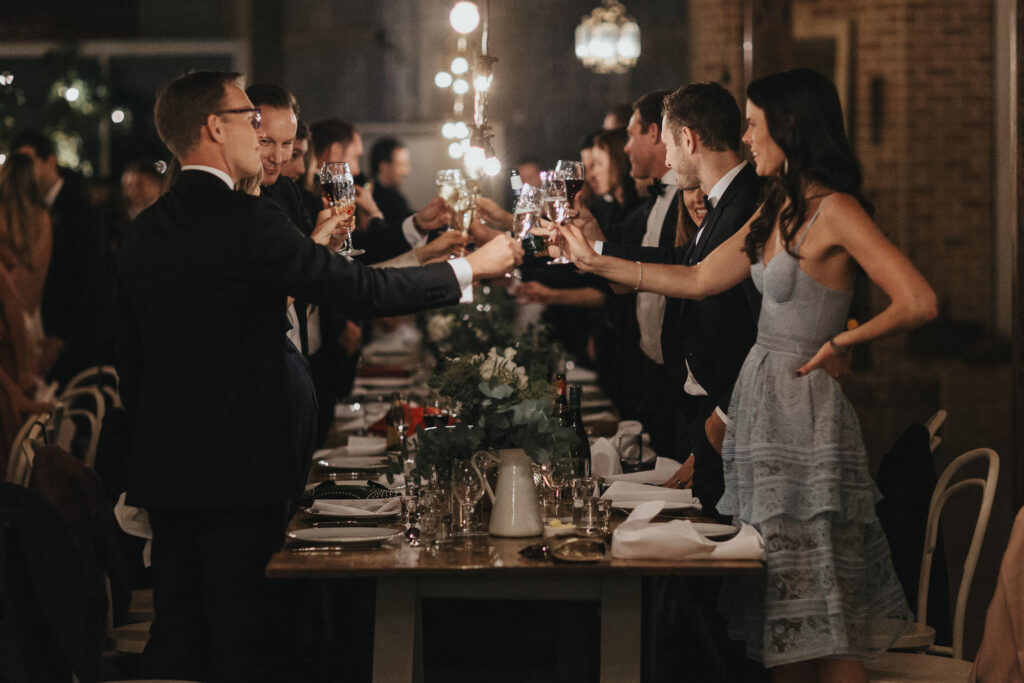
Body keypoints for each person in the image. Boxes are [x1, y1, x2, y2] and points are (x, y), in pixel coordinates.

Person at [115, 70, 520, 682]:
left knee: (179, 637)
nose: (260, 132)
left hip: (170, 470)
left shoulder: (143, 230)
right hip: (245, 467)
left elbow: (129, 362)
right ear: (214, 128)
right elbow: (360, 289)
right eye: (251, 119)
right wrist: (470, 270)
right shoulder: (248, 219)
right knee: (244, 641)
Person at [559, 68, 934, 681]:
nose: (747, 137)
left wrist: (842, 340)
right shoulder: (778, 207)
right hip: (760, 405)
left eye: (755, 125)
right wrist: (596, 263)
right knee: (779, 602)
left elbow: (918, 300)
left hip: (804, 412)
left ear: (790, 127)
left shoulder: (837, 210)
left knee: (821, 600)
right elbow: (698, 278)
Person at [12, 129, 109, 385]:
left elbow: (92, 280)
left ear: (50, 162)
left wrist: (60, 338)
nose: (23, 173)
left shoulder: (79, 210)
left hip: (73, 344)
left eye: (28, 163)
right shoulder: (27, 212)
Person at [368, 136, 413, 222]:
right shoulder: (393, 201)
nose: (407, 171)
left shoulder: (370, 193)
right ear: (384, 167)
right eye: (401, 165)